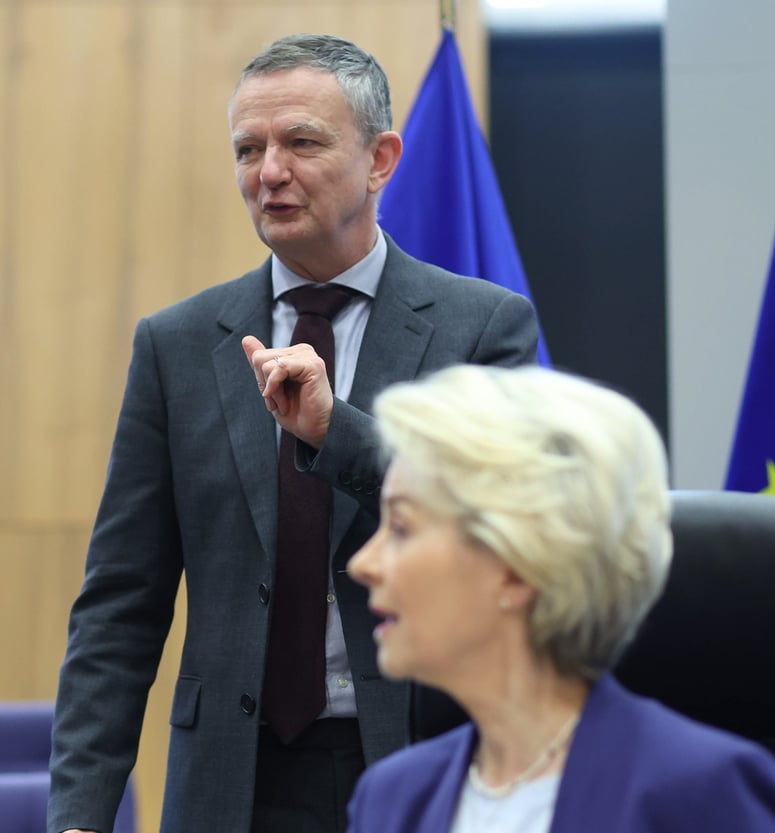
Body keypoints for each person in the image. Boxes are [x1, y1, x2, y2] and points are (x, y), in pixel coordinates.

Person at [47, 34, 539, 833]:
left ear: (380, 160)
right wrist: (78, 816)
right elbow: (119, 607)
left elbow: (499, 522)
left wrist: (334, 433)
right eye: (249, 148)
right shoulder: (176, 345)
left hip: (413, 762)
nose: (267, 172)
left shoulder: (480, 327)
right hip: (226, 785)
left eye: (301, 143)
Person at [341, 364, 775, 833]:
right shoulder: (390, 799)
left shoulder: (702, 796)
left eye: (401, 528)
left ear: (516, 567)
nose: (364, 563)